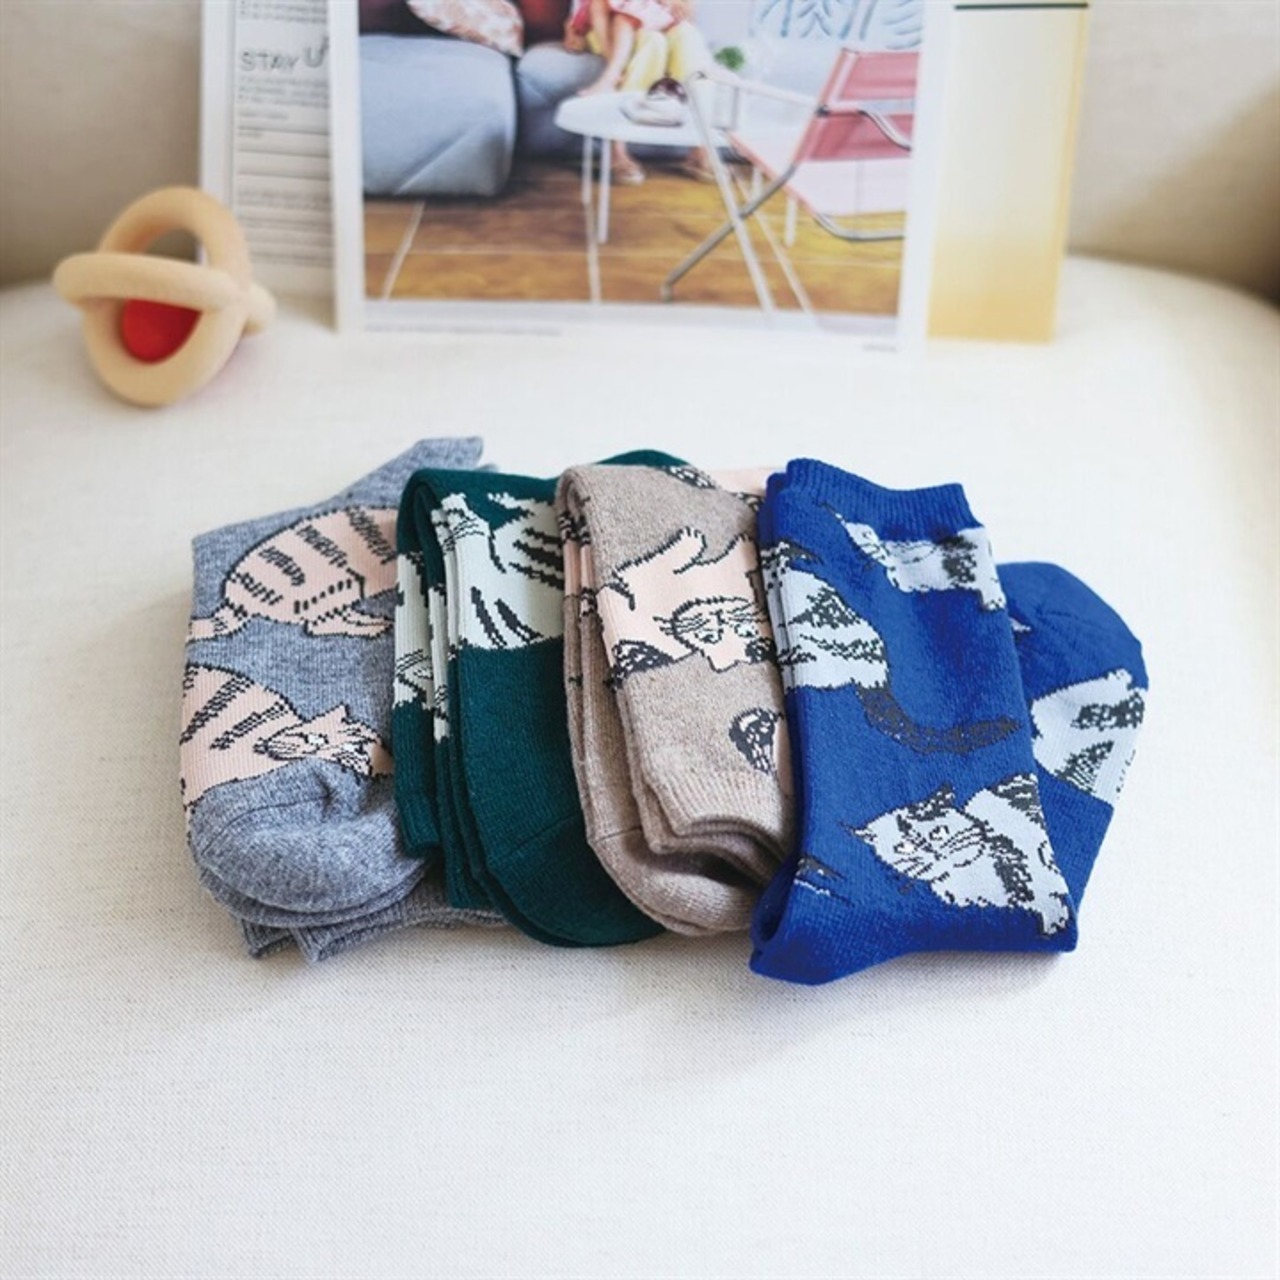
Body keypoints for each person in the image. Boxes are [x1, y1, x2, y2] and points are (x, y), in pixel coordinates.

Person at [564, 0, 715, 184]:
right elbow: (598, 8)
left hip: (653, 17)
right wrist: (613, 59)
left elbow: (686, 11)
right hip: (610, 26)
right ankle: (616, 149)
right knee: (652, 41)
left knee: (688, 35)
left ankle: (700, 145)